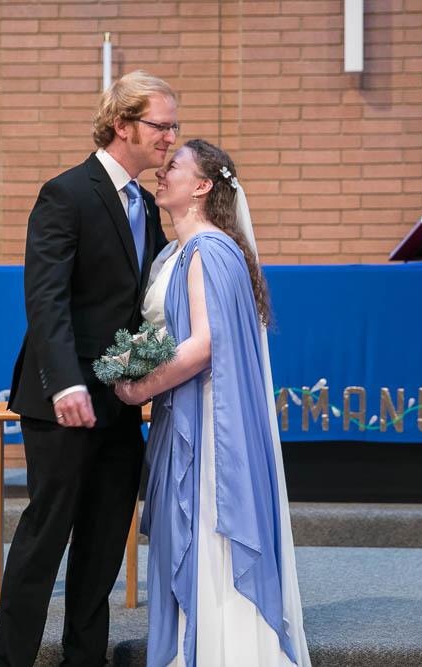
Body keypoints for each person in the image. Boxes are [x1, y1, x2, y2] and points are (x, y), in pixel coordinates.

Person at [0, 70, 177, 667]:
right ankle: (8, 661)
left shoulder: (146, 204)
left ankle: (84, 659)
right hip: (62, 402)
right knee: (46, 538)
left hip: (119, 403)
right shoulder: (65, 193)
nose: (171, 137)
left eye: (175, 126)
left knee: (102, 544)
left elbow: (136, 306)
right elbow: (45, 298)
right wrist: (67, 381)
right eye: (161, 126)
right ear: (123, 125)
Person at [115, 140, 311, 667]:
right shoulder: (175, 251)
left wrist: (139, 386)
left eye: (173, 165)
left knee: (209, 543)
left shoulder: (208, 250)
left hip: (207, 426)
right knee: (188, 544)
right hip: (181, 419)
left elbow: (205, 344)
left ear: (202, 186)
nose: (161, 171)